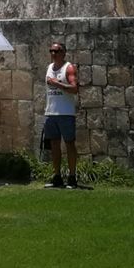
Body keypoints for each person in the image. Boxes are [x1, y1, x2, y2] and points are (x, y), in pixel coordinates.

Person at [42, 40, 85, 188]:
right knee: (54, 145)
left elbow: (74, 89)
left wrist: (57, 83)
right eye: (51, 51)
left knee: (69, 144)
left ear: (63, 53)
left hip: (65, 113)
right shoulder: (49, 68)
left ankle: (72, 177)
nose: (53, 54)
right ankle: (57, 176)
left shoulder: (69, 68)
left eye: (57, 51)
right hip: (51, 112)